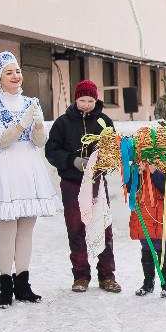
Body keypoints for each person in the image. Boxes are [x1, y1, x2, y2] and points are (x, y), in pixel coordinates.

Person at [0, 51, 61, 308]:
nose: (15, 76)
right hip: (4, 169)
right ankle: (5, 285)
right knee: (7, 230)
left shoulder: (31, 102)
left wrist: (36, 126)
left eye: (17, 71)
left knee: (26, 229)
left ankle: (23, 283)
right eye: (8, 72)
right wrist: (21, 124)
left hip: (28, 168)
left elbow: (38, 142)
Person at [45, 80, 120, 293]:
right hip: (72, 183)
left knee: (103, 227)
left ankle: (107, 275)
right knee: (76, 228)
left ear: (96, 100)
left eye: (90, 100)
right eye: (82, 100)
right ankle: (80, 275)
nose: (86, 104)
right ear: (75, 99)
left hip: (96, 182)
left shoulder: (104, 122)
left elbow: (111, 148)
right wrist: (73, 161)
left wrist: (103, 162)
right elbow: (51, 151)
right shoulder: (62, 123)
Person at [130, 165, 166, 297]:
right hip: (143, 212)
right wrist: (135, 174)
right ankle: (148, 283)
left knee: (162, 247)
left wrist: (154, 171)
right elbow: (129, 187)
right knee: (146, 247)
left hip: (160, 214)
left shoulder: (164, 163)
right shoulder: (136, 163)